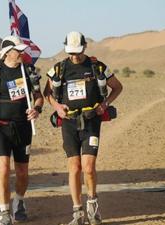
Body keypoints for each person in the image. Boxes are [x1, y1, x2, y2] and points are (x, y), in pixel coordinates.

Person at [43, 31, 122, 225]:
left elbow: (118, 87)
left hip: (91, 121)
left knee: (88, 167)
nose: (74, 56)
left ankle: (93, 206)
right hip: (69, 122)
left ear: (85, 47)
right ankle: (77, 214)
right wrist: (57, 107)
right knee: (74, 167)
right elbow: (46, 93)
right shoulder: (59, 69)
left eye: (77, 52)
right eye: (71, 52)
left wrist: (105, 104)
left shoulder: (97, 66)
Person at [0, 35, 44, 225]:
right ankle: (4, 211)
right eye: (18, 50)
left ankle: (19, 201)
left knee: (22, 172)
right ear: (7, 53)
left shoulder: (28, 71)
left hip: (23, 128)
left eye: (22, 50)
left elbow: (38, 96)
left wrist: (36, 109)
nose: (22, 53)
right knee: (3, 169)